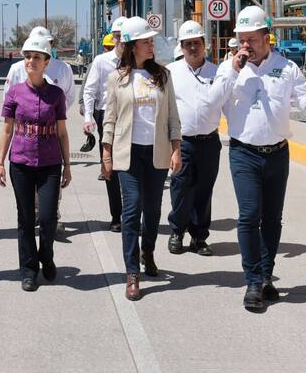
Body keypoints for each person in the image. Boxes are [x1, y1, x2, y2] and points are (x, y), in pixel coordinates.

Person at [219, 5, 306, 313]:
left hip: (277, 154)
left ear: (267, 38)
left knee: (272, 218)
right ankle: (252, 282)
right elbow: (214, 99)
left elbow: (304, 107)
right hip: (244, 154)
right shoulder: (231, 70)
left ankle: (266, 276)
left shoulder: (287, 68)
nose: (245, 46)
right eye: (241, 40)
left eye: (251, 39)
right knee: (249, 215)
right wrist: (233, 70)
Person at [101, 16, 182, 302]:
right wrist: (106, 152)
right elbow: (109, 118)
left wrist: (176, 148)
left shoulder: (163, 75)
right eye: (146, 42)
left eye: (151, 41)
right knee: (131, 210)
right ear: (132, 46)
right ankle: (132, 273)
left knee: (153, 211)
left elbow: (173, 116)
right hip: (129, 154)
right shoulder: (117, 78)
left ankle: (148, 251)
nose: (151, 45)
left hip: (156, 152)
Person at [0, 33, 71, 291]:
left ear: (47, 62)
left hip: (50, 164)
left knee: (48, 217)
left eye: (36, 57)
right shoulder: (15, 93)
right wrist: (0, 163)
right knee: (25, 218)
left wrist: (68, 166)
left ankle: (46, 255)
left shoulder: (57, 95)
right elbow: (7, 130)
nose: (31, 61)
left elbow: (62, 132)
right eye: (27, 57)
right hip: (21, 163)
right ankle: (28, 269)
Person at [3, 26, 78, 232]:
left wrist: (51, 113)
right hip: (24, 133)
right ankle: (34, 214)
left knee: (50, 176)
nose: (33, 59)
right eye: (29, 54)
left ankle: (52, 214)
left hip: (51, 127)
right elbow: (8, 100)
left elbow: (68, 96)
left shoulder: (62, 68)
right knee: (27, 181)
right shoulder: (18, 69)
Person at [166, 20, 230, 257]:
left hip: (209, 142)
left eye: (197, 43)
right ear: (181, 47)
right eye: (188, 44)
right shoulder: (171, 73)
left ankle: (199, 237)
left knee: (204, 190)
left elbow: (229, 104)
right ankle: (176, 232)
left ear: (205, 45)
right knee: (181, 188)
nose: (193, 48)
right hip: (181, 142)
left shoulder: (218, 72)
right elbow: (165, 110)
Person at [82, 17, 126, 231]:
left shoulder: (138, 61)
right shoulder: (101, 61)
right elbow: (90, 90)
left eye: (124, 37)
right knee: (110, 166)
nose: (120, 41)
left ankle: (132, 213)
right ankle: (116, 216)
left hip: (130, 116)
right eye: (117, 36)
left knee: (132, 166)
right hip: (106, 115)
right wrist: (88, 116)